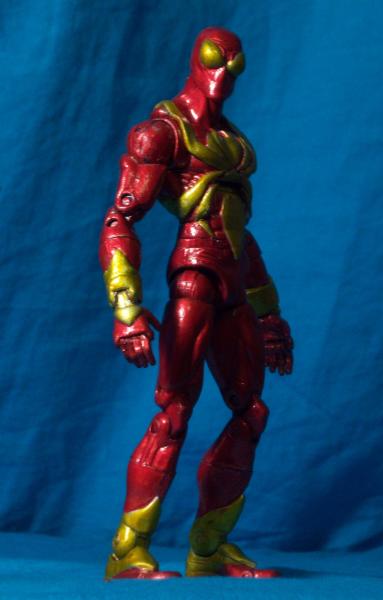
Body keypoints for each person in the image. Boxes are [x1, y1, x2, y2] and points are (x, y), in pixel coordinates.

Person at [99, 26, 293, 579]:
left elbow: (241, 239)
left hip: (232, 288)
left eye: (234, 64)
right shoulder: (162, 134)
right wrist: (126, 307)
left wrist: (269, 313)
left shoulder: (232, 146)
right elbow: (119, 220)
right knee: (175, 412)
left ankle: (209, 548)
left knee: (251, 412)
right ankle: (128, 549)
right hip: (193, 282)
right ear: (194, 58)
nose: (222, 73)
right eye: (214, 58)